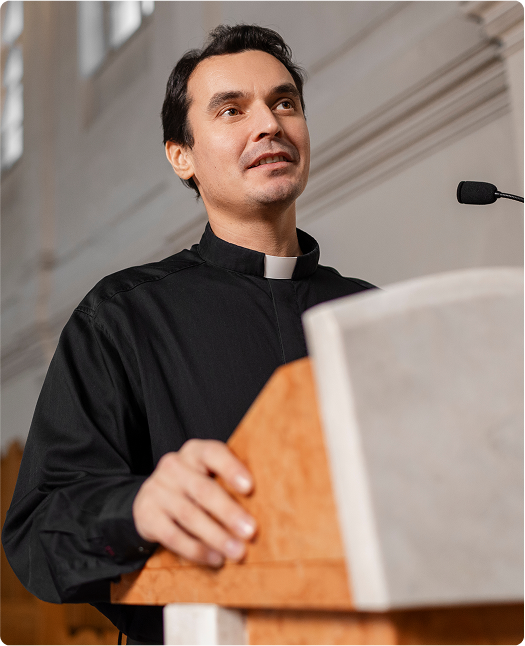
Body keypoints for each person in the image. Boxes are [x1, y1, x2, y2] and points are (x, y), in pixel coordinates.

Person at [2, 24, 375, 646]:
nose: (269, 124)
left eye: (285, 103)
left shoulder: (366, 311)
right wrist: (137, 508)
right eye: (232, 110)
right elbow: (37, 533)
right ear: (183, 156)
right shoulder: (122, 316)